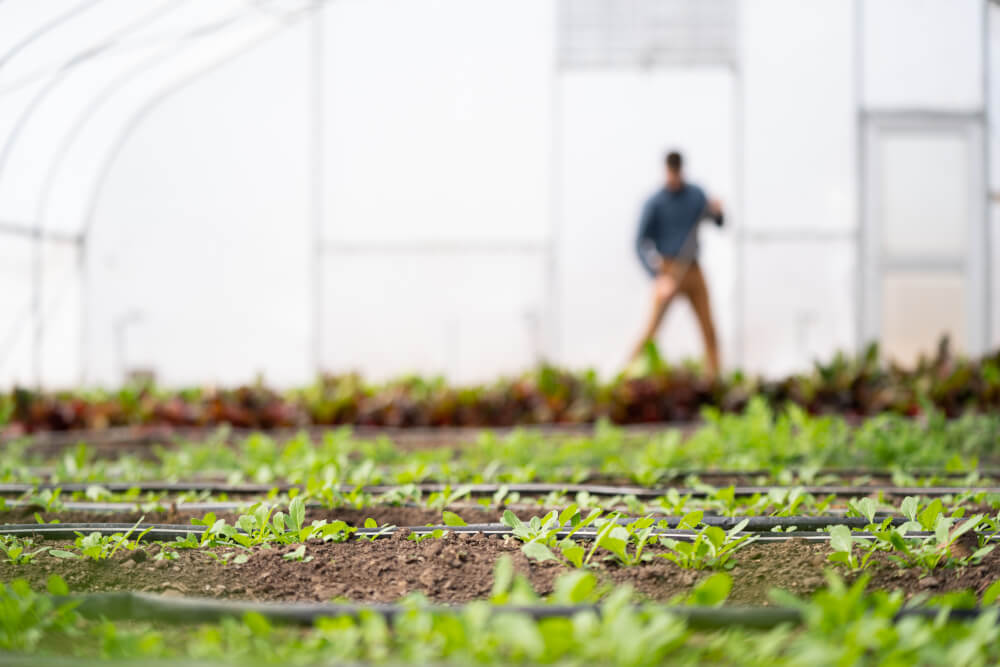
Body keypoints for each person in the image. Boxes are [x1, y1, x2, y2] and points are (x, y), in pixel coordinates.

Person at [629, 151, 724, 379]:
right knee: (651, 330)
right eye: (671, 172)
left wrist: (718, 212)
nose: (674, 176)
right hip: (668, 270)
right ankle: (629, 376)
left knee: (709, 329)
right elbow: (639, 243)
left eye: (677, 172)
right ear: (666, 171)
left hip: (693, 267)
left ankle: (714, 378)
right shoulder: (655, 203)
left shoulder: (695, 195)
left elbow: (717, 221)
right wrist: (657, 277)